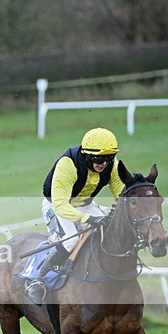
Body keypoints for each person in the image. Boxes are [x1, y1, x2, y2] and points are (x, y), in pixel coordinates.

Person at [26, 127, 128, 305]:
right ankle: (37, 278)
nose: (103, 163)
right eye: (98, 158)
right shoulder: (68, 164)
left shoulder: (112, 166)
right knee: (71, 240)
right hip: (57, 205)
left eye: (108, 158)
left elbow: (121, 196)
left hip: (86, 205)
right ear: (87, 155)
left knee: (111, 230)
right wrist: (88, 219)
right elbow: (60, 205)